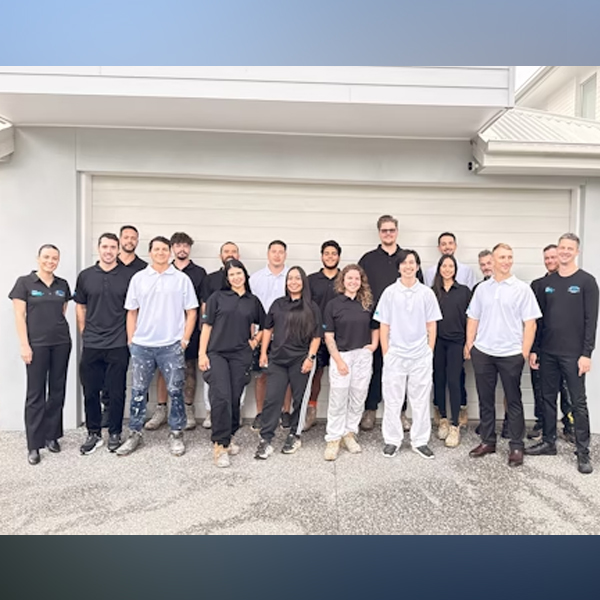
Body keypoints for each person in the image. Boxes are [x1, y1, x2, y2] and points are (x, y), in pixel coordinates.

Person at [116, 236, 198, 457]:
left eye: (164, 249)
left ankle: (176, 433)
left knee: (175, 391)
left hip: (171, 345)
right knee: (138, 391)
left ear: (169, 253)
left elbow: (192, 312)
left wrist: (184, 340)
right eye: (157, 249)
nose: (161, 253)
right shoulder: (139, 278)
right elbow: (131, 311)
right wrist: (131, 340)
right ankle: (135, 434)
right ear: (150, 252)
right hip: (142, 345)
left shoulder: (181, 279)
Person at [525, 234, 599, 475]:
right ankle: (548, 442)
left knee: (578, 402)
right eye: (562, 247)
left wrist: (586, 353)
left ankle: (583, 451)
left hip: (573, 355)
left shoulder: (587, 282)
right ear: (557, 250)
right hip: (548, 352)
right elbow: (540, 321)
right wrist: (535, 349)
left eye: (570, 248)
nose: (565, 251)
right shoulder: (548, 283)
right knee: (547, 398)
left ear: (576, 251)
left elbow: (591, 321)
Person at [465, 243, 541, 468]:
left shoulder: (522, 289)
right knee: (485, 399)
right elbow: (473, 318)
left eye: (509, 257)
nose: (507, 261)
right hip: (484, 352)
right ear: (493, 260)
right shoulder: (482, 289)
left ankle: (516, 446)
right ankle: (488, 441)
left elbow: (531, 324)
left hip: (511, 354)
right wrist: (471, 345)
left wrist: (523, 353)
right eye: (502, 257)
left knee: (513, 400)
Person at [374, 249, 442, 459]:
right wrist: (386, 353)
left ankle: (420, 441)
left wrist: (429, 350)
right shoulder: (390, 293)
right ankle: (392, 440)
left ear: (417, 266)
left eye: (412, 262)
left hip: (420, 355)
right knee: (392, 399)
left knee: (420, 400)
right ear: (399, 267)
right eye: (404, 263)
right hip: (395, 354)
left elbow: (432, 325)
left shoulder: (426, 293)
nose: (408, 266)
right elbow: (384, 325)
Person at [9, 244, 72, 465]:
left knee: (57, 390)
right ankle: (34, 445)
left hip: (61, 343)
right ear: (38, 258)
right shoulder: (24, 283)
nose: (50, 261)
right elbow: (19, 316)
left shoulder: (62, 284)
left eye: (54, 258)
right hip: (36, 345)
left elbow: (62, 311)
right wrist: (24, 345)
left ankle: (52, 435)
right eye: (46, 257)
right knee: (35, 394)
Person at [199, 259, 265, 467]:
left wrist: (255, 341)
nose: (236, 277)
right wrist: (202, 354)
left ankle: (229, 436)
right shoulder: (217, 297)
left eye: (239, 273)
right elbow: (207, 327)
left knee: (235, 399)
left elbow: (266, 325)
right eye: (232, 274)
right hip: (217, 353)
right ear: (227, 279)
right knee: (221, 397)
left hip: (240, 355)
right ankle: (220, 445)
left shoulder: (252, 301)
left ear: (245, 275)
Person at [254, 267, 322, 459]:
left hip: (301, 360)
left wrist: (310, 358)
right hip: (278, 359)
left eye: (297, 278)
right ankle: (266, 438)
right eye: (290, 278)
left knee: (299, 399)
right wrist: (264, 353)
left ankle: (295, 435)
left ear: (303, 282)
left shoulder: (312, 307)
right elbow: (268, 329)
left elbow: (317, 336)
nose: (293, 282)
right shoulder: (278, 304)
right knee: (272, 399)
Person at [75, 233, 133, 455]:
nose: (108, 251)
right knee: (90, 391)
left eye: (112, 247)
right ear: (98, 248)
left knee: (117, 391)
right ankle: (94, 433)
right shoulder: (86, 276)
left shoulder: (128, 276)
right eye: (105, 246)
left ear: (118, 250)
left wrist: (129, 337)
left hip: (118, 343)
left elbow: (133, 310)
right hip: (92, 343)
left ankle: (115, 432)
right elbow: (80, 306)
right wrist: (84, 332)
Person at [144, 232, 206, 432]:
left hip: (189, 330)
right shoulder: (164, 271)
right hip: (165, 330)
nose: (182, 249)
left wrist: (199, 329)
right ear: (172, 249)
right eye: (178, 245)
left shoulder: (199, 273)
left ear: (190, 248)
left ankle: (188, 409)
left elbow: (202, 304)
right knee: (163, 370)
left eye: (186, 245)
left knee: (189, 369)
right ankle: (161, 409)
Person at [323, 264, 379, 461]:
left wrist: (374, 345)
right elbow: (328, 336)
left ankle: (349, 433)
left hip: (362, 355)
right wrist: (338, 360)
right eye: (349, 278)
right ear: (343, 281)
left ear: (361, 281)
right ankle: (333, 438)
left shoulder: (368, 303)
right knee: (338, 398)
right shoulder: (333, 305)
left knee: (358, 397)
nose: (353, 281)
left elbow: (375, 326)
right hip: (342, 355)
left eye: (357, 278)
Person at [358, 215, 406, 432]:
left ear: (397, 232)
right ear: (379, 233)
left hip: (402, 326)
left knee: (400, 370)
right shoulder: (368, 260)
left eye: (391, 230)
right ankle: (370, 410)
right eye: (384, 230)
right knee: (375, 367)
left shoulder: (407, 258)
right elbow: (359, 289)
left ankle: (400, 412)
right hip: (375, 324)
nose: (388, 233)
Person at [100, 224, 148, 428]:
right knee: (108, 374)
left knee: (140, 372)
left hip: (137, 328)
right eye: (126, 237)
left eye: (133, 238)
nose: (129, 241)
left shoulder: (144, 268)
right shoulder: (109, 263)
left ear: (137, 241)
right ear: (120, 241)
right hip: (110, 329)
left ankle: (139, 411)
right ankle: (108, 409)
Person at [528, 244, 574, 443]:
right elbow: (532, 320)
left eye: (553, 257)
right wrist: (533, 348)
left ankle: (569, 425)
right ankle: (542, 423)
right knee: (540, 388)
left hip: (567, 348)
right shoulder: (537, 285)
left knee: (567, 389)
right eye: (546, 258)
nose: (550, 261)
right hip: (542, 346)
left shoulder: (573, 283)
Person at [249, 240, 291, 431]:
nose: (277, 255)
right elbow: (250, 307)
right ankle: (261, 413)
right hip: (261, 334)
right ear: (268, 254)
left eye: (281, 252)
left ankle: (285, 411)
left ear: (285, 255)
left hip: (287, 334)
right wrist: (252, 335)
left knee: (286, 375)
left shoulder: (291, 277)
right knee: (262, 375)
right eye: (274, 251)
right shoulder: (256, 278)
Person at [431, 255, 471, 448]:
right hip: (437, 342)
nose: (447, 269)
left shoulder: (464, 291)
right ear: (439, 268)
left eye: (451, 266)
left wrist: (468, 343)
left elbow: (471, 318)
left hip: (457, 342)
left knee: (454, 381)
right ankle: (444, 420)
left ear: (455, 269)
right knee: (439, 380)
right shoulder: (432, 292)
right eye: (444, 266)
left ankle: (455, 425)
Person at [200, 241, 241, 429]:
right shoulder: (210, 279)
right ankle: (211, 411)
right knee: (213, 376)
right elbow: (204, 309)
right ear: (220, 256)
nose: (230, 254)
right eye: (226, 251)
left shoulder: (244, 279)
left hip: (238, 338)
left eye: (234, 251)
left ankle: (235, 411)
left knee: (237, 378)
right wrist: (205, 338)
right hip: (215, 338)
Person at [305, 240, 342, 431]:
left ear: (339, 257)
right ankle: (310, 411)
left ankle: (340, 417)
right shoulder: (311, 280)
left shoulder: (346, 279)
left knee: (340, 375)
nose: (330, 257)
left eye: (333, 253)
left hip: (340, 336)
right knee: (315, 375)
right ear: (321, 256)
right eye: (327, 253)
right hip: (316, 335)